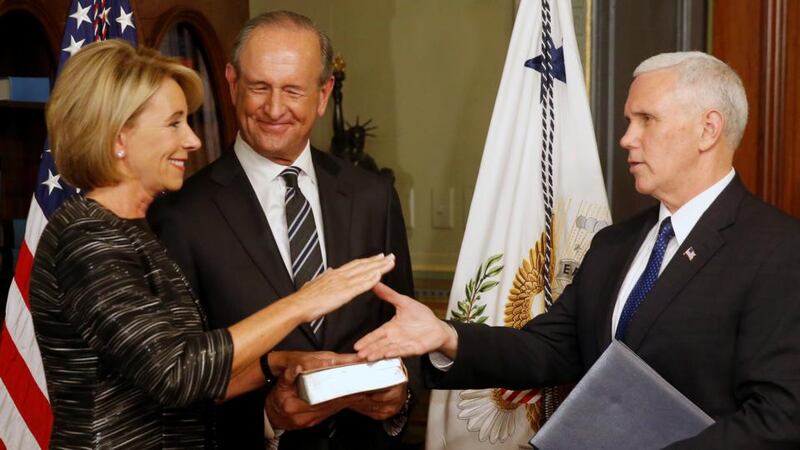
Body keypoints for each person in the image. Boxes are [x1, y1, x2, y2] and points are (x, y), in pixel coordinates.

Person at [355, 51, 800, 449]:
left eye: (647, 119)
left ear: (708, 129)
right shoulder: (614, 244)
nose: (627, 138)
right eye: (629, 120)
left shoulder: (778, 249)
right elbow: (549, 350)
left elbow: (779, 417)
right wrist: (446, 336)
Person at [30, 39, 395, 449]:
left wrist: (277, 363)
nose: (193, 140)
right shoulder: (88, 237)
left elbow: (191, 369)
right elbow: (174, 374)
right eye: (174, 123)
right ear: (120, 138)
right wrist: (302, 303)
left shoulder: (134, 230)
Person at [148, 10, 416, 450]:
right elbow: (173, 379)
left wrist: (399, 397)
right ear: (232, 83)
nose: (274, 109)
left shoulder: (373, 195)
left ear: (323, 93)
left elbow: (404, 327)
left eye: (292, 90)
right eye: (259, 87)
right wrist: (267, 420)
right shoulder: (180, 213)